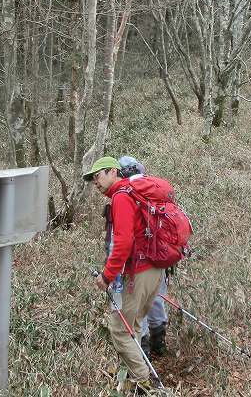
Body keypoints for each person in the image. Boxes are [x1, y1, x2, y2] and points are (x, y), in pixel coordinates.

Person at [84, 156, 164, 391]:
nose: (95, 183)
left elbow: (122, 244)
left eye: (97, 177)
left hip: (139, 272)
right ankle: (133, 377)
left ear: (112, 172)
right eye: (92, 180)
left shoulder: (121, 196)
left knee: (119, 329)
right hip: (154, 269)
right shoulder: (132, 192)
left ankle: (146, 384)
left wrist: (107, 276)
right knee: (135, 326)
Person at [117, 156, 169, 359]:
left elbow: (123, 236)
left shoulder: (126, 194)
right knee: (156, 297)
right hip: (162, 255)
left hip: (138, 260)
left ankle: (144, 348)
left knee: (138, 306)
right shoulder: (155, 188)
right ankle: (160, 341)